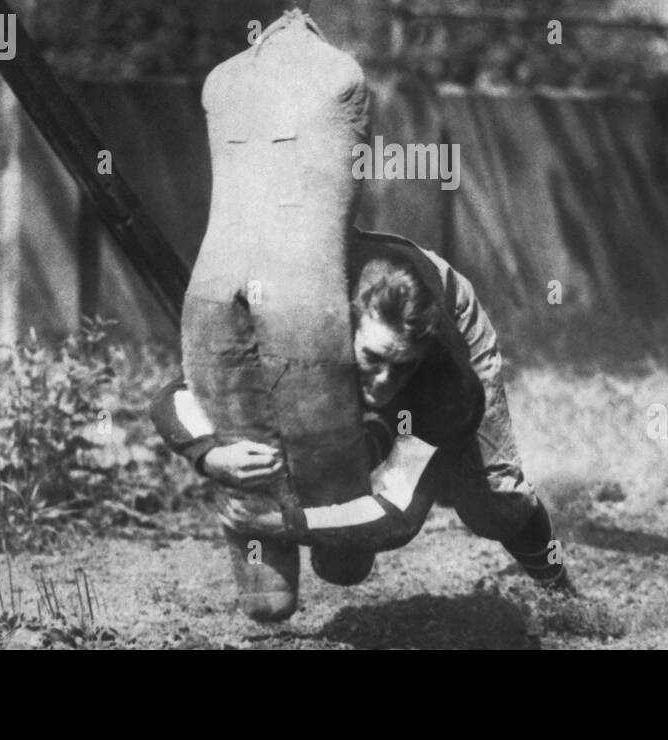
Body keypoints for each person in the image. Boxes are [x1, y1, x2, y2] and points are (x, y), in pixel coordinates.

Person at [152, 228, 574, 601]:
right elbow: (178, 393)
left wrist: (285, 523)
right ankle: (393, 447)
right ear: (344, 329)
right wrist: (209, 454)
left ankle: (560, 588)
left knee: (494, 503)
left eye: (403, 366)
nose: (385, 381)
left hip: (447, 303)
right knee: (343, 563)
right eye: (373, 359)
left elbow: (399, 516)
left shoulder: (444, 380)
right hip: (331, 305)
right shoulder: (296, 326)